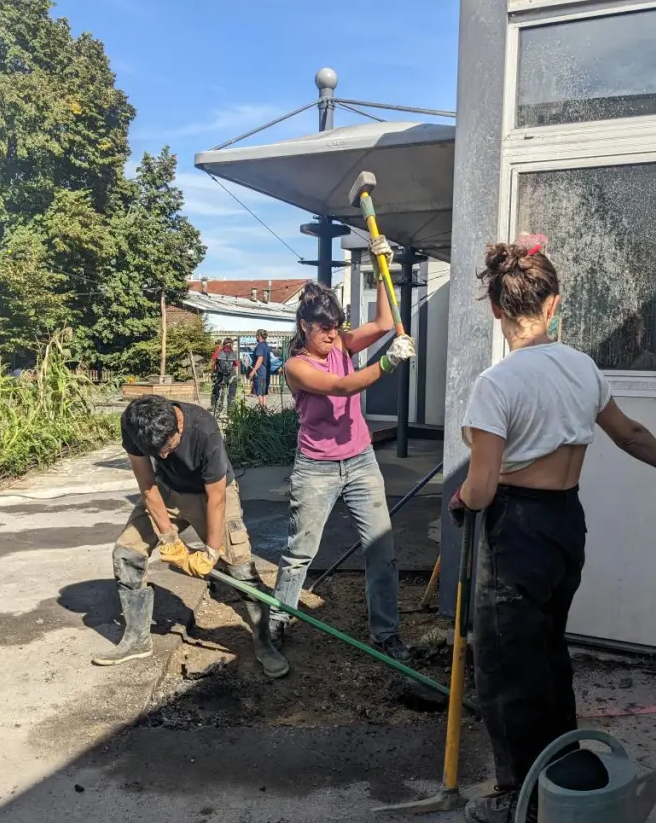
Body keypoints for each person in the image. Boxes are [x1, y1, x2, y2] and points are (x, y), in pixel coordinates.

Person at [448, 240, 656, 823]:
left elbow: (481, 488)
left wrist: (460, 499)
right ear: (553, 304)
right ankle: (560, 774)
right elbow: (629, 433)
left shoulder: (496, 384)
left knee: (506, 669)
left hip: (517, 531)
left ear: (496, 308)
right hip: (565, 525)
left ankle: (524, 802)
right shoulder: (581, 367)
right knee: (546, 653)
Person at [270, 236, 416, 662]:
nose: (333, 337)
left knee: (382, 551)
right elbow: (341, 386)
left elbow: (384, 323)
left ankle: (386, 632)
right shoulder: (297, 366)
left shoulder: (340, 344)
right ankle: (278, 620)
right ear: (305, 327)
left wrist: (380, 268)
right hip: (316, 467)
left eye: (337, 328)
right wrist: (387, 363)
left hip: (360, 461)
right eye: (325, 330)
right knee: (300, 552)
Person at [93, 395, 289, 679]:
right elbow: (147, 485)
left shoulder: (203, 429)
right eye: (156, 452)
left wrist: (211, 552)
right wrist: (168, 537)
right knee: (126, 553)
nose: (162, 456)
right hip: (166, 490)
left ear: (178, 425)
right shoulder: (135, 424)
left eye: (168, 447)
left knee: (240, 568)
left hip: (211, 493)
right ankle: (137, 639)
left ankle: (264, 642)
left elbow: (216, 497)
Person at [211, 337, 238, 413]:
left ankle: (217, 410)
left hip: (221, 375)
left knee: (219, 392)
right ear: (231, 345)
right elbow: (235, 366)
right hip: (232, 375)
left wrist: (212, 373)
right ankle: (231, 412)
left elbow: (213, 363)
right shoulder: (233, 353)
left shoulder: (219, 351)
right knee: (231, 396)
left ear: (223, 344)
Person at [249, 329, 271, 410]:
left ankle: (263, 411)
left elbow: (260, 359)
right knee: (263, 393)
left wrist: (253, 370)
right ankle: (264, 410)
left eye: (256, 335)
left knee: (259, 393)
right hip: (266, 373)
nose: (256, 337)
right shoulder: (267, 346)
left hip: (260, 373)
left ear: (259, 336)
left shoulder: (260, 346)